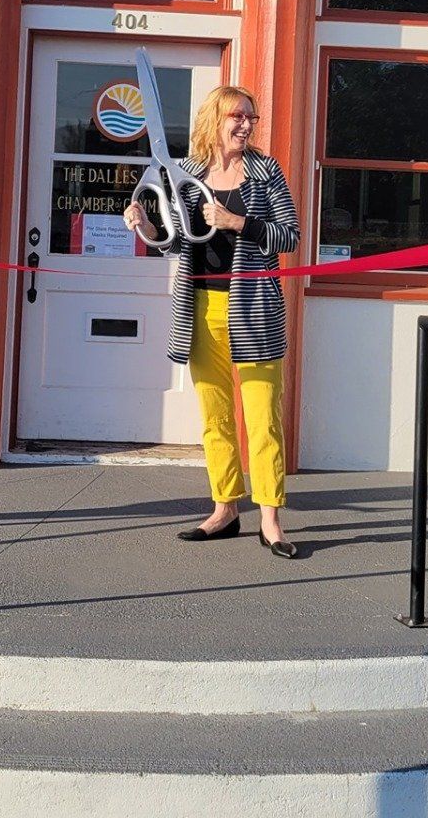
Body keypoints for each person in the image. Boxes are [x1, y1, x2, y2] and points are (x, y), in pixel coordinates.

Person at [124, 84, 302, 557]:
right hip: (200, 308)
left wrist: (237, 221)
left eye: (252, 117)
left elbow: (289, 236)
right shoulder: (188, 173)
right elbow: (179, 243)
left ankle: (271, 520)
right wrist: (145, 228)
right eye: (237, 116)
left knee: (263, 418)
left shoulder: (265, 172)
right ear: (214, 119)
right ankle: (224, 509)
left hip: (254, 311)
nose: (246, 124)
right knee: (215, 417)